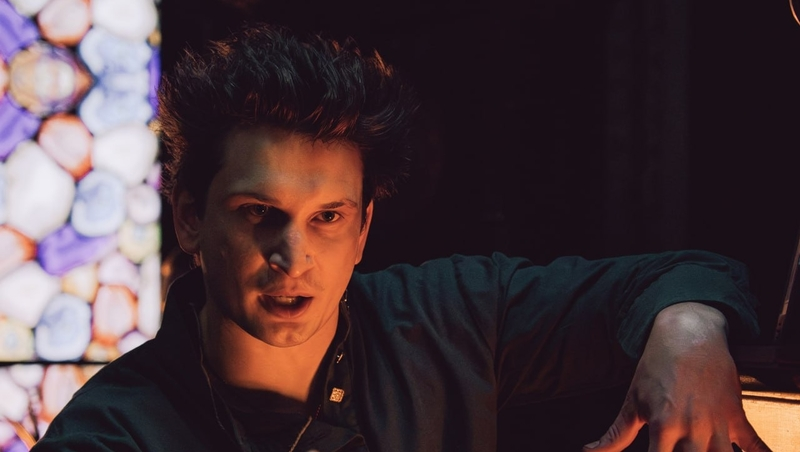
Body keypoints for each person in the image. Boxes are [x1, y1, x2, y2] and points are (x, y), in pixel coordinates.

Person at [32, 23, 771, 452]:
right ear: (192, 218)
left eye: (327, 217)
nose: (292, 258)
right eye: (259, 212)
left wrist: (689, 327)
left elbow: (679, 276)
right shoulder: (112, 434)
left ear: (363, 229)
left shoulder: (449, 319)